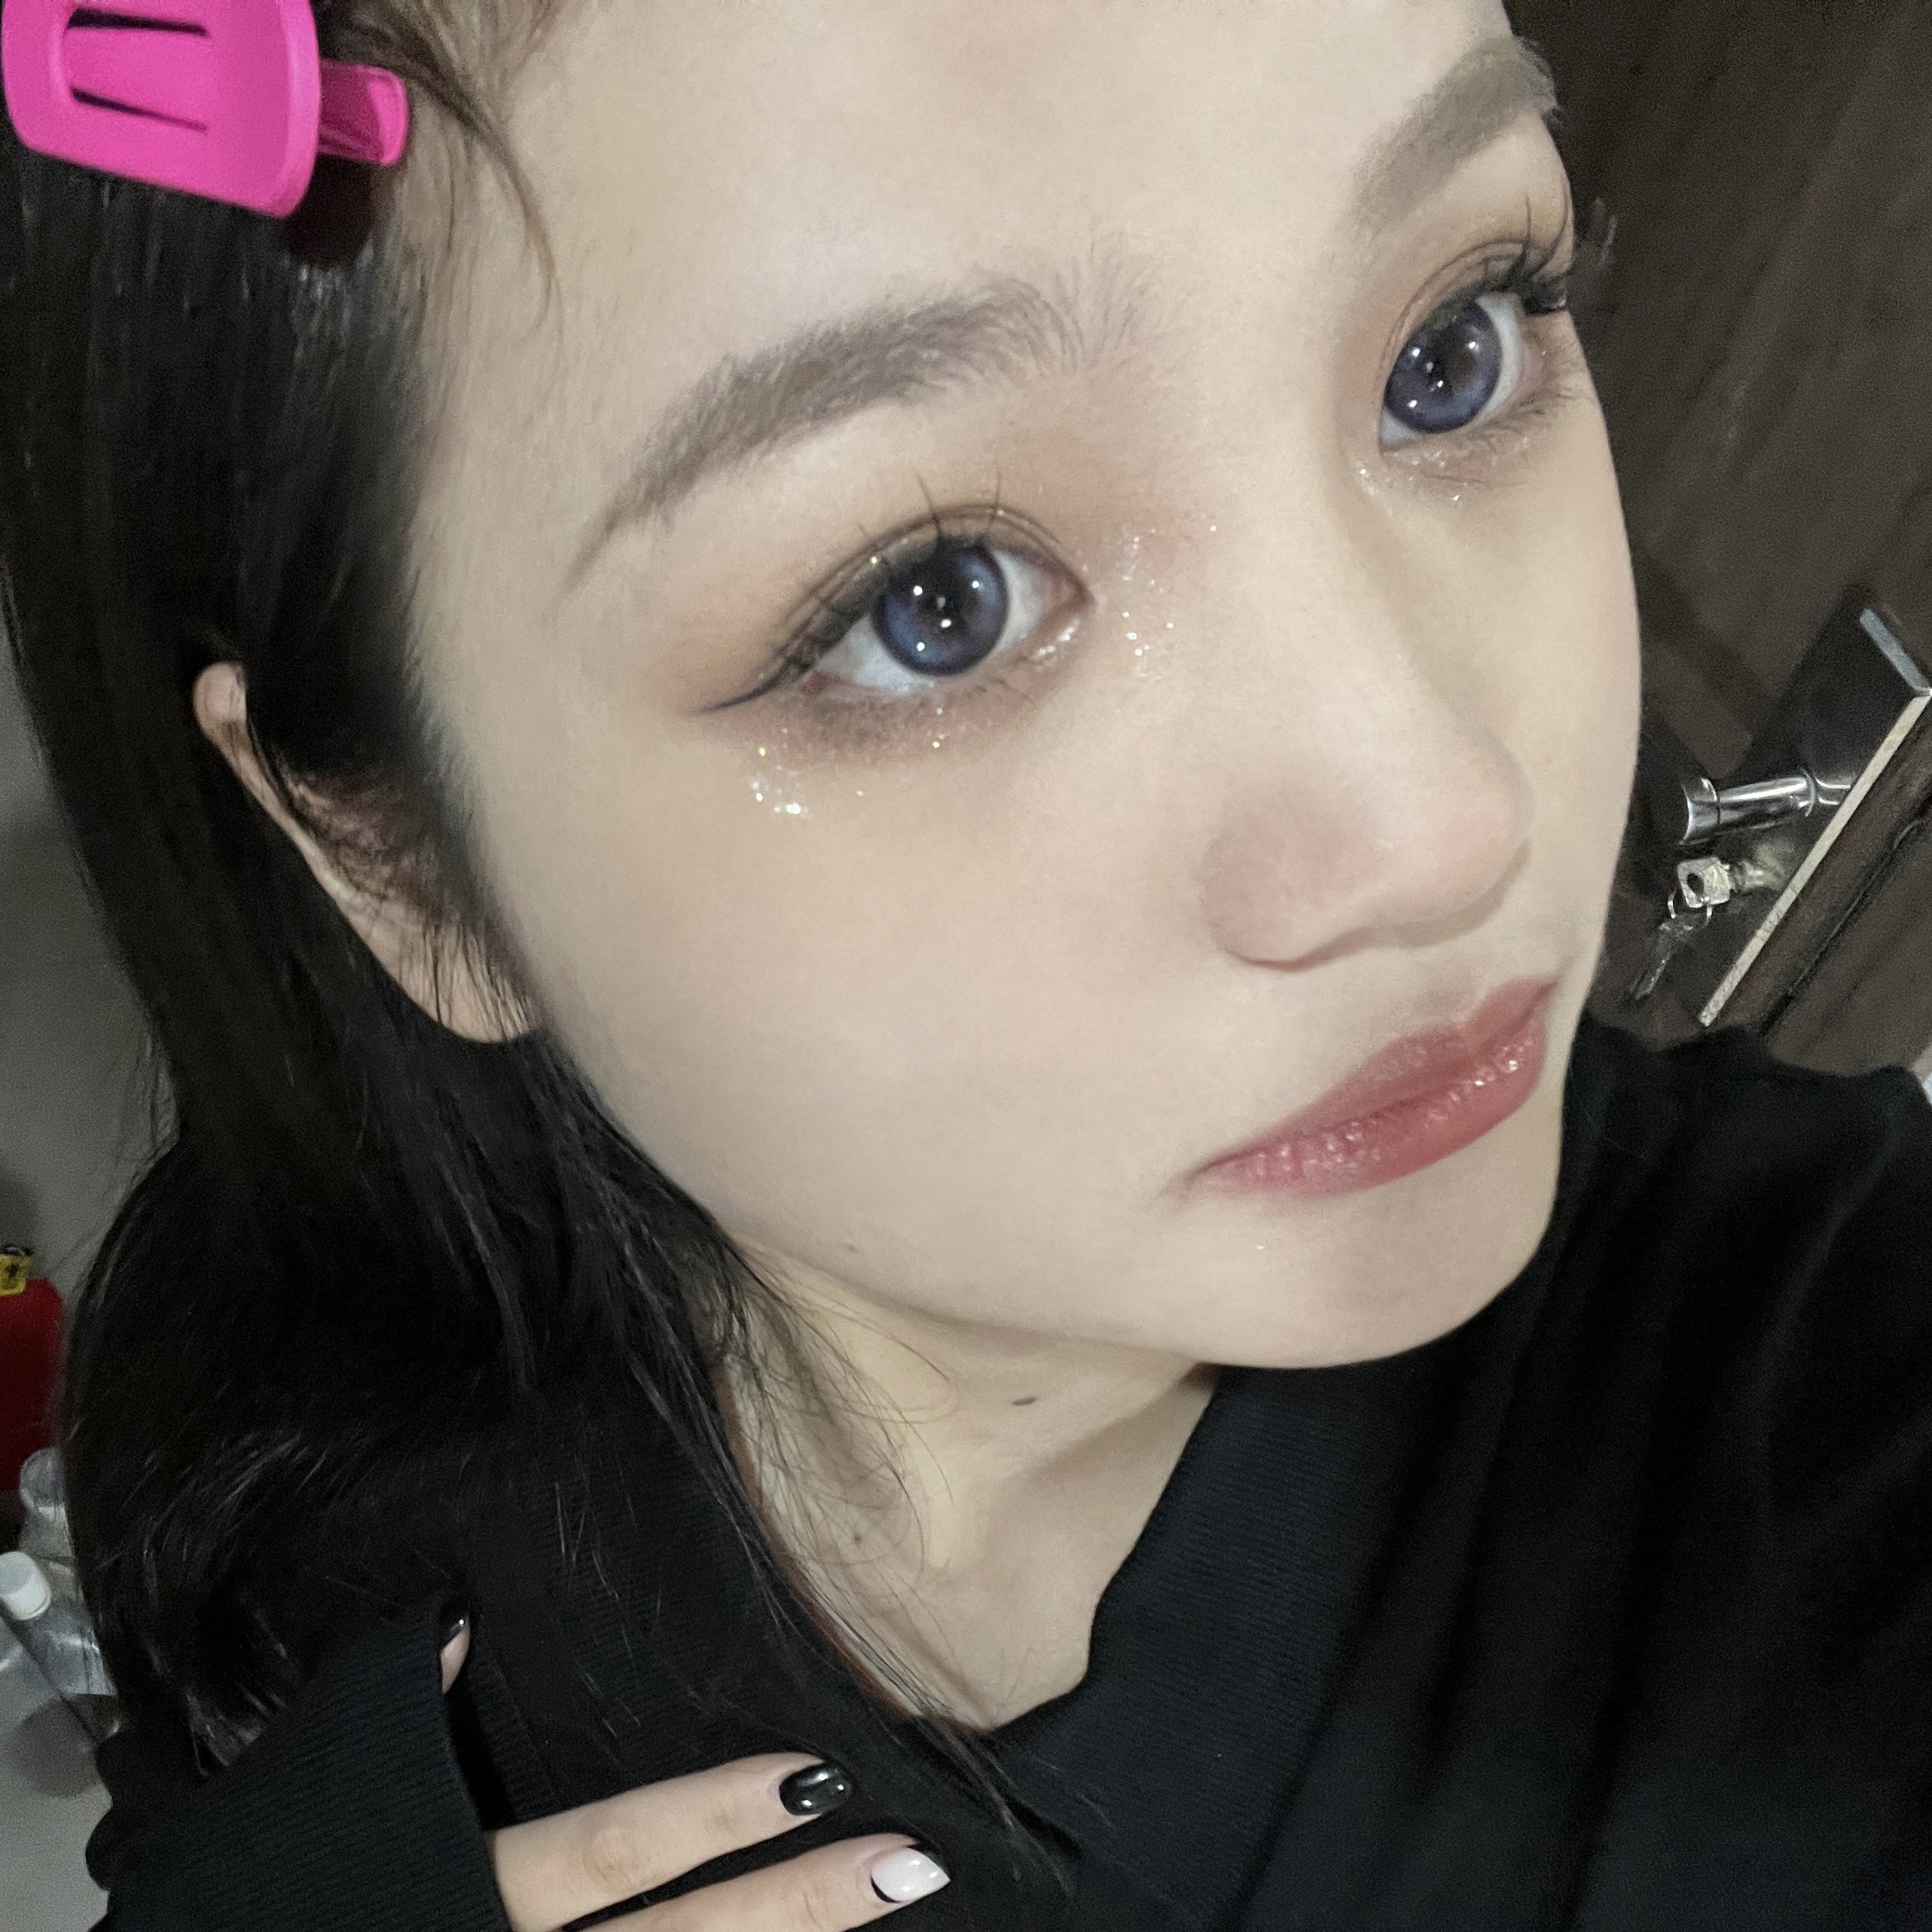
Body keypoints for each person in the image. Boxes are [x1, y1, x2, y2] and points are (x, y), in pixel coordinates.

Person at [2, 2, 1929, 1927]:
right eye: (932, 605)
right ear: (399, 859)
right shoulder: (293, 1375)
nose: (1444, 822)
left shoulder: (1817, 1431)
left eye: (1451, 351)